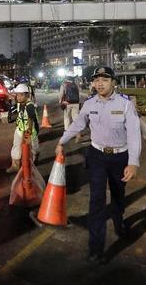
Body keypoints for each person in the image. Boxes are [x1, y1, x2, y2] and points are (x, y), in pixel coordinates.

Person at [55, 66, 141, 264]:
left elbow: (134, 134)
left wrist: (133, 162)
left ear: (113, 82)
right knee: (97, 200)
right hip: (97, 156)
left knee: (118, 195)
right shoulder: (90, 103)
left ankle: (119, 222)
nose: (100, 83)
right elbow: (78, 124)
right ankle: (96, 248)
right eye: (97, 80)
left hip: (120, 156)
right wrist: (62, 141)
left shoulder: (125, 104)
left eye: (105, 79)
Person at [6, 83, 40, 174]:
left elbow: (31, 119)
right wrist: (5, 92)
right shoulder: (19, 102)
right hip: (20, 129)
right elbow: (13, 98)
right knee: (16, 146)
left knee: (34, 148)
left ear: (27, 95)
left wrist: (28, 132)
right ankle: (15, 166)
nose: (19, 97)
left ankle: (35, 159)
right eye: (17, 95)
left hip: (31, 130)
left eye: (21, 95)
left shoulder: (30, 106)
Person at [59, 76, 81, 142]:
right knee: (76, 119)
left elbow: (61, 94)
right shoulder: (76, 84)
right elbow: (79, 93)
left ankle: (67, 135)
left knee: (67, 118)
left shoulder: (64, 84)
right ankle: (78, 134)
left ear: (66, 79)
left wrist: (61, 101)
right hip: (76, 103)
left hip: (67, 103)